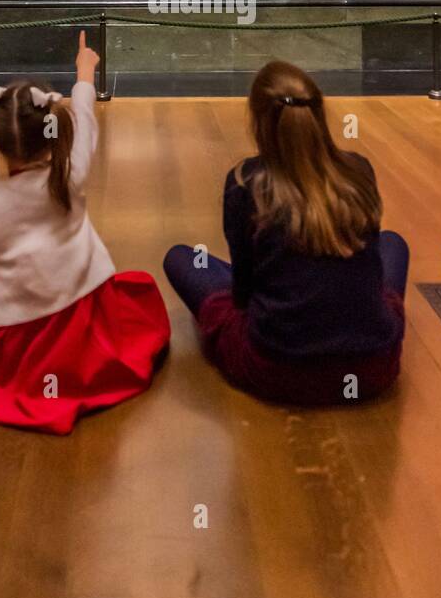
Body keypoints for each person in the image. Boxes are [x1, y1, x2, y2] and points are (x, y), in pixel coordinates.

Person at [0, 33, 170, 434]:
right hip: (86, 320)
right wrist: (84, 72)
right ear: (51, 127)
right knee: (138, 294)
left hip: (17, 337)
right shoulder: (70, 176)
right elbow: (84, 123)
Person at [163, 62, 407, 407]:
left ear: (258, 122)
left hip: (277, 369)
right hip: (372, 369)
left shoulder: (246, 183)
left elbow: (243, 295)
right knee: (393, 244)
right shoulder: (358, 169)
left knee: (180, 257)